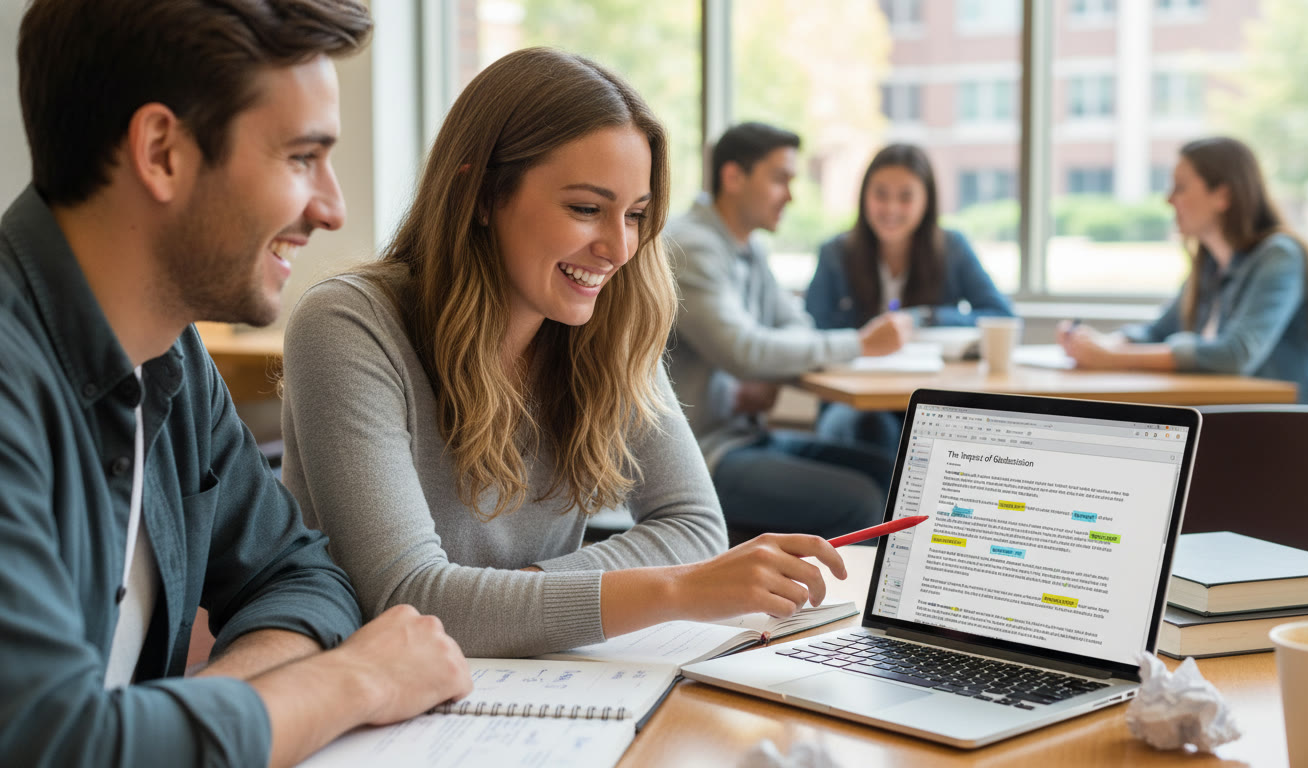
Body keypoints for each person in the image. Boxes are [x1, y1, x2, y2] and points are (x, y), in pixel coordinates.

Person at [0, 2, 476, 766]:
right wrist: (356, 680)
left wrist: (185, 725)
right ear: (161, 152)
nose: (332, 208)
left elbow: (301, 576)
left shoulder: (173, 358)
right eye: (301, 157)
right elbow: (58, 745)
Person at [280, 49, 847, 659]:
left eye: (635, 215)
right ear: (479, 194)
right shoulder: (347, 323)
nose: (619, 249)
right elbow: (410, 602)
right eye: (585, 209)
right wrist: (673, 589)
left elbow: (694, 525)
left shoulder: (610, 328)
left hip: (532, 684)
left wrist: (506, 605)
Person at [664, 122, 906, 539]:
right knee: (864, 499)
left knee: (889, 474)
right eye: (780, 179)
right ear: (733, 177)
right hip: (700, 457)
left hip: (748, 436)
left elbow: (796, 327)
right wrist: (860, 344)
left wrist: (766, 367)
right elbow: (743, 350)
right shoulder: (691, 247)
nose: (790, 196)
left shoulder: (748, 247)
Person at [1059, 137, 1308, 406]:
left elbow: (1235, 355)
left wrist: (1113, 357)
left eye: (1180, 187)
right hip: (1249, 416)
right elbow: (1158, 332)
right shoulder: (1210, 264)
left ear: (1222, 196)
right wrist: (1100, 344)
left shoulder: (1280, 255)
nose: (1168, 199)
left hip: (1307, 422)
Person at [805, 143, 1015, 453]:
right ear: (864, 197)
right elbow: (810, 333)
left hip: (932, 395)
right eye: (880, 195)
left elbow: (1001, 316)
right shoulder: (836, 254)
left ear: (926, 201)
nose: (891, 209)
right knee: (868, 429)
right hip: (856, 398)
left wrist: (925, 317)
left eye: (905, 197)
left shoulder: (951, 248)